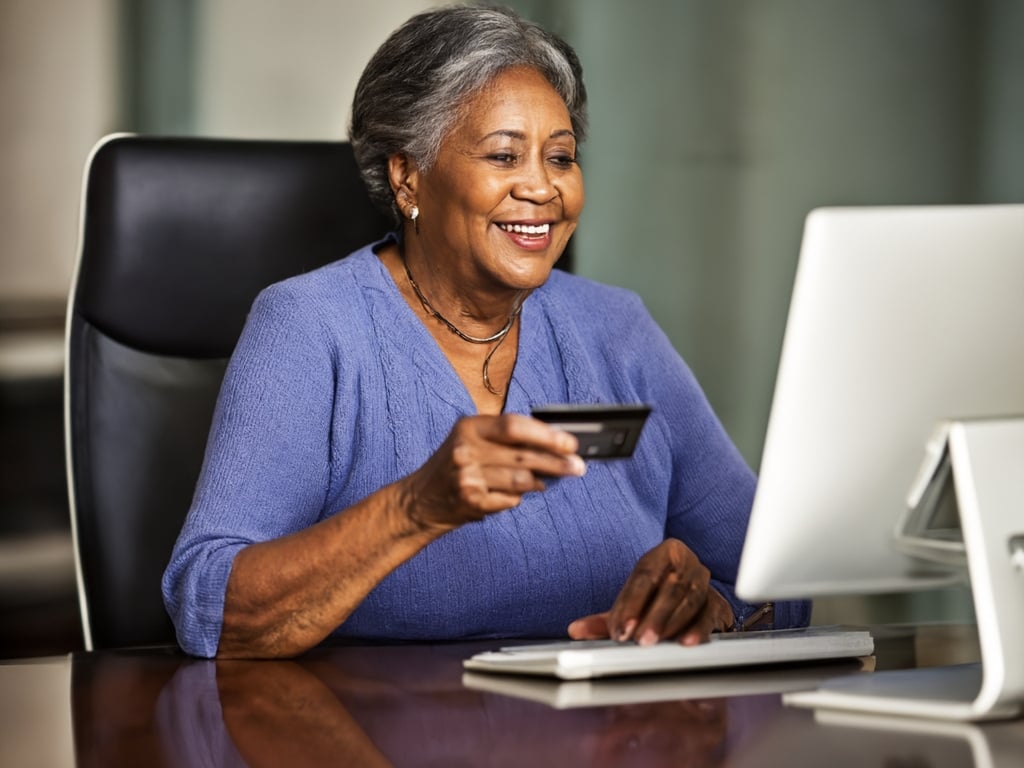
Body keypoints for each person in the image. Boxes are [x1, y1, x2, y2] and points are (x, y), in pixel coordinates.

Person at [162, 4, 810, 659]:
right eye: (504, 154)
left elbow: (779, 574)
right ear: (408, 174)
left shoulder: (615, 329)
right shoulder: (311, 327)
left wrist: (708, 606)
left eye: (561, 157)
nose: (542, 187)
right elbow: (211, 610)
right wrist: (415, 508)